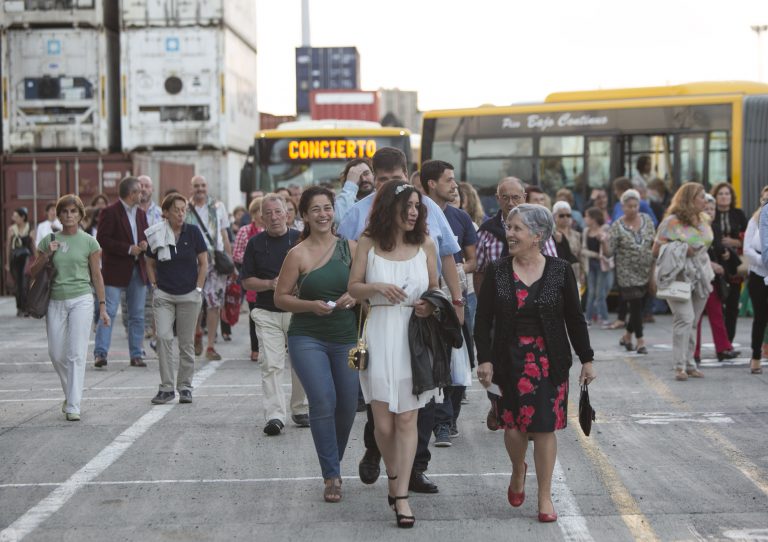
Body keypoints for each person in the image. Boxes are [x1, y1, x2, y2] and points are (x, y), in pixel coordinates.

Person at [338, 147, 464, 495]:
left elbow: (448, 258)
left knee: (417, 402)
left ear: (407, 176)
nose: (390, 187)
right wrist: (363, 295)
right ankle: (375, 449)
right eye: (382, 180)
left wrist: (454, 303)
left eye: (396, 180)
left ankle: (413, 471)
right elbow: (348, 263)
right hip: (377, 319)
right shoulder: (358, 216)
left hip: (421, 321)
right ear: (372, 179)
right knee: (382, 405)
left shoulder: (426, 210)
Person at [475, 204, 595, 523]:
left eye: (516, 228)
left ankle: (544, 496)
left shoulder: (560, 270)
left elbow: (574, 317)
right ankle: (518, 469)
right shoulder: (499, 270)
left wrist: (587, 359)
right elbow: (483, 318)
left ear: (537, 236)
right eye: (509, 228)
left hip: (549, 360)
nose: (509, 234)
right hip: (506, 359)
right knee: (512, 427)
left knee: (543, 428)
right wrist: (484, 358)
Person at [348, 180, 441, 528]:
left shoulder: (427, 244)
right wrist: (375, 287)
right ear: (391, 208)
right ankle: (393, 474)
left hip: (414, 337)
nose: (414, 212)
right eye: (408, 206)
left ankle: (401, 496)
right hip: (379, 332)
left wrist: (429, 306)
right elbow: (353, 288)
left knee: (407, 419)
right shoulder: (369, 243)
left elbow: (435, 290)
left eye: (418, 206)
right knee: (382, 423)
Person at [274, 186, 359, 503]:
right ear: (305, 216)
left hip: (347, 337)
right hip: (307, 336)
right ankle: (331, 475)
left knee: (348, 405)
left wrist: (355, 294)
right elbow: (280, 298)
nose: (323, 214)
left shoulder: (351, 247)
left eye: (328, 208)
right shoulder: (297, 254)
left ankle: (331, 460)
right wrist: (310, 305)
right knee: (323, 401)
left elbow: (363, 287)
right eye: (316, 210)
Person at [31, 195, 110, 421]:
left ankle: (73, 405)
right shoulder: (48, 240)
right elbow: (33, 272)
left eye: (73, 211)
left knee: (76, 353)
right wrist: (47, 255)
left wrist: (102, 307)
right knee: (56, 353)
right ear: (59, 214)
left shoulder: (89, 242)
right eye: (64, 211)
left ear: (80, 215)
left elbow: (97, 275)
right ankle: (71, 393)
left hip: (82, 300)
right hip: (55, 300)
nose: (68, 215)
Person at [241, 194, 309, 436]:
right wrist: (271, 284)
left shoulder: (301, 240)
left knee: (301, 363)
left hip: (297, 310)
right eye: (268, 213)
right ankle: (275, 415)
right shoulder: (255, 244)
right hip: (267, 312)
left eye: (278, 212)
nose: (274, 217)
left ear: (287, 213)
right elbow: (247, 281)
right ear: (261, 218)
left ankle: (300, 408)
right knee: (271, 364)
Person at [421, 160, 477, 444]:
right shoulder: (415, 214)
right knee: (435, 362)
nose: (455, 185)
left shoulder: (460, 217)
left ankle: (449, 417)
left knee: (462, 360)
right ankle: (440, 423)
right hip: (427, 297)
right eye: (449, 180)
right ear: (432, 183)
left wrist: (456, 286)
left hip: (456, 296)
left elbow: (472, 259)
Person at [144, 193, 208, 404]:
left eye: (183, 210)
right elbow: (149, 262)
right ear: (166, 212)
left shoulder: (193, 232)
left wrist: (198, 288)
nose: (181, 214)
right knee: (163, 337)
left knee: (186, 343)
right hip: (164, 294)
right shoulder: (157, 232)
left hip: (189, 294)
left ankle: (185, 386)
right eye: (176, 210)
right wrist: (154, 285)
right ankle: (166, 387)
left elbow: (204, 263)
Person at [653, 182, 713, 381]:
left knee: (694, 321)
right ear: (689, 199)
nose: (705, 200)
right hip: (678, 276)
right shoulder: (672, 222)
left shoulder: (704, 219)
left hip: (701, 274)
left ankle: (690, 363)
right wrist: (680, 247)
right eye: (701, 196)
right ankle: (679, 366)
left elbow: (704, 247)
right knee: (684, 318)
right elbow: (655, 250)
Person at [94, 176, 149, 368]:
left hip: (138, 269)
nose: (142, 194)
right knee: (108, 311)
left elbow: (145, 236)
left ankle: (136, 354)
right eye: (139, 191)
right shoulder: (109, 212)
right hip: (115, 270)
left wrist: (144, 244)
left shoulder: (141, 214)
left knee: (137, 314)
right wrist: (128, 248)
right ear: (131, 193)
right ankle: (100, 353)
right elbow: (102, 239)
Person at [602, 190, 656, 354]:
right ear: (622, 206)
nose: (632, 209)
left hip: (646, 270)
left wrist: (654, 270)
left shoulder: (647, 220)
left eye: (635, 206)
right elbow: (609, 253)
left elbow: (654, 244)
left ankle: (626, 335)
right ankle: (640, 341)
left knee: (638, 308)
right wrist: (604, 242)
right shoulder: (617, 225)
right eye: (629, 206)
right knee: (635, 305)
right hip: (627, 273)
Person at [185, 175, 232, 361]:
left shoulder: (218, 207)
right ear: (191, 188)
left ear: (207, 186)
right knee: (195, 301)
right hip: (192, 261)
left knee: (214, 304)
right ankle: (197, 334)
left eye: (203, 185)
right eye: (196, 186)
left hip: (215, 261)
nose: (200, 189)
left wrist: (230, 261)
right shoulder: (185, 208)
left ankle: (210, 345)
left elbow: (224, 235)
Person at [694, 194, 740, 364]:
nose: (710, 212)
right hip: (699, 276)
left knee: (717, 313)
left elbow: (718, 248)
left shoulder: (716, 227)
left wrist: (726, 255)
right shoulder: (696, 226)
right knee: (696, 316)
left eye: (712, 209)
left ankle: (723, 348)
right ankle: (694, 352)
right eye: (706, 209)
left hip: (714, 279)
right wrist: (712, 264)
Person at [711, 182, 748, 343]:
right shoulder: (711, 213)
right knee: (718, 307)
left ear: (732, 197)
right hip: (716, 264)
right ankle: (721, 342)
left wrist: (735, 242)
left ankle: (729, 342)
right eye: (721, 194)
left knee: (732, 306)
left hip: (734, 265)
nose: (724, 197)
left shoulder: (738, 214)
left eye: (727, 194)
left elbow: (749, 235)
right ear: (715, 197)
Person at [232, 197, 264, 362]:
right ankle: (255, 348)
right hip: (252, 278)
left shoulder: (271, 230)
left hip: (271, 278)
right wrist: (252, 260)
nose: (262, 214)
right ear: (253, 213)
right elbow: (236, 254)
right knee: (254, 315)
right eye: (259, 210)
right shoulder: (244, 231)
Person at [744, 185, 768, 375]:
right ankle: (755, 356)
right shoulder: (755, 220)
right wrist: (764, 261)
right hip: (758, 274)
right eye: (764, 199)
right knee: (760, 317)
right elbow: (747, 250)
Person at [582, 207, 612, 327]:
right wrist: (595, 255)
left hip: (601, 265)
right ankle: (588, 319)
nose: (585, 219)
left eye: (587, 216)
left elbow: (607, 252)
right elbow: (583, 250)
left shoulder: (604, 230)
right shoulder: (586, 231)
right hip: (591, 264)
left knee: (600, 293)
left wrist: (603, 241)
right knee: (591, 292)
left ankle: (604, 318)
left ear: (593, 219)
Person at [5, 207, 35, 316]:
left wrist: (36, 259)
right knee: (18, 284)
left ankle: (26, 308)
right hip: (15, 259)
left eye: (16, 216)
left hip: (27, 259)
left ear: (23, 217)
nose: (14, 218)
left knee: (25, 284)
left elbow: (33, 245)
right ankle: (20, 307)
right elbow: (8, 246)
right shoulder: (11, 229)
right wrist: (7, 263)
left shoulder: (30, 228)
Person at [334, 158, 374, 225]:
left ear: (373, 174)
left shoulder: (382, 197)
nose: (363, 179)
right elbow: (342, 220)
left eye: (366, 173)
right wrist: (350, 185)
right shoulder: (340, 202)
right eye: (357, 176)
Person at [552, 201, 583, 288]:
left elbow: (580, 255)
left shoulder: (577, 235)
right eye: (562, 215)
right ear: (555, 217)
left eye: (568, 215)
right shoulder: (551, 235)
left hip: (575, 272)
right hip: (557, 273)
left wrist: (582, 273)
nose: (565, 218)